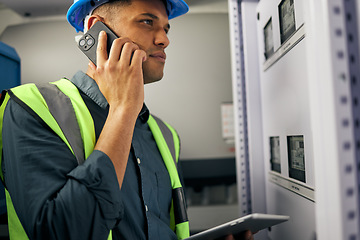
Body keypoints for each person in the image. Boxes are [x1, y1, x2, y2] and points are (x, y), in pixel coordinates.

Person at [0, 0, 254, 239]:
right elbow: (63, 232)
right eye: (146, 22)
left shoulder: (165, 135)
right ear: (96, 30)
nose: (164, 39)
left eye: (166, 28)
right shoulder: (31, 107)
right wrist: (123, 108)